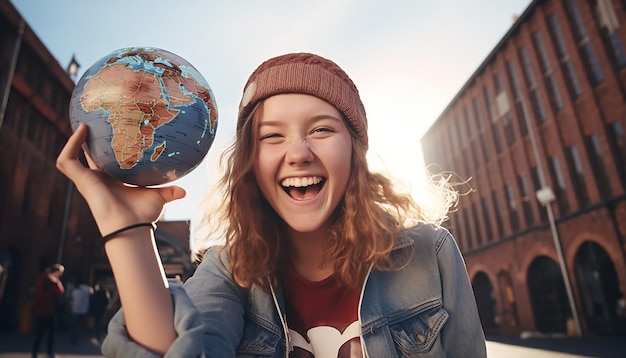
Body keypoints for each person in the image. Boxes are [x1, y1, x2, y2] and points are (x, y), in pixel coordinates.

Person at [56, 53, 487, 357]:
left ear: (356, 152)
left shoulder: (430, 254)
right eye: (272, 136)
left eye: (321, 130)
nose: (298, 152)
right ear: (251, 165)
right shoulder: (229, 270)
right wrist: (127, 230)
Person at [30, 263, 65, 358]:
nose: (60, 274)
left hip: (51, 310)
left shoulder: (55, 281)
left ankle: (49, 352)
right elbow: (39, 292)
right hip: (42, 309)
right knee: (40, 333)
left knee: (51, 333)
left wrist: (56, 281)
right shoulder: (43, 278)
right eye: (60, 272)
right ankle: (34, 353)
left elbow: (60, 291)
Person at [69, 278, 91, 345]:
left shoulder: (75, 290)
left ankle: (72, 340)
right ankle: (76, 340)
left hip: (75, 310)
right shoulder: (87, 289)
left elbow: (72, 300)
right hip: (83, 310)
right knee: (79, 327)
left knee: (73, 326)